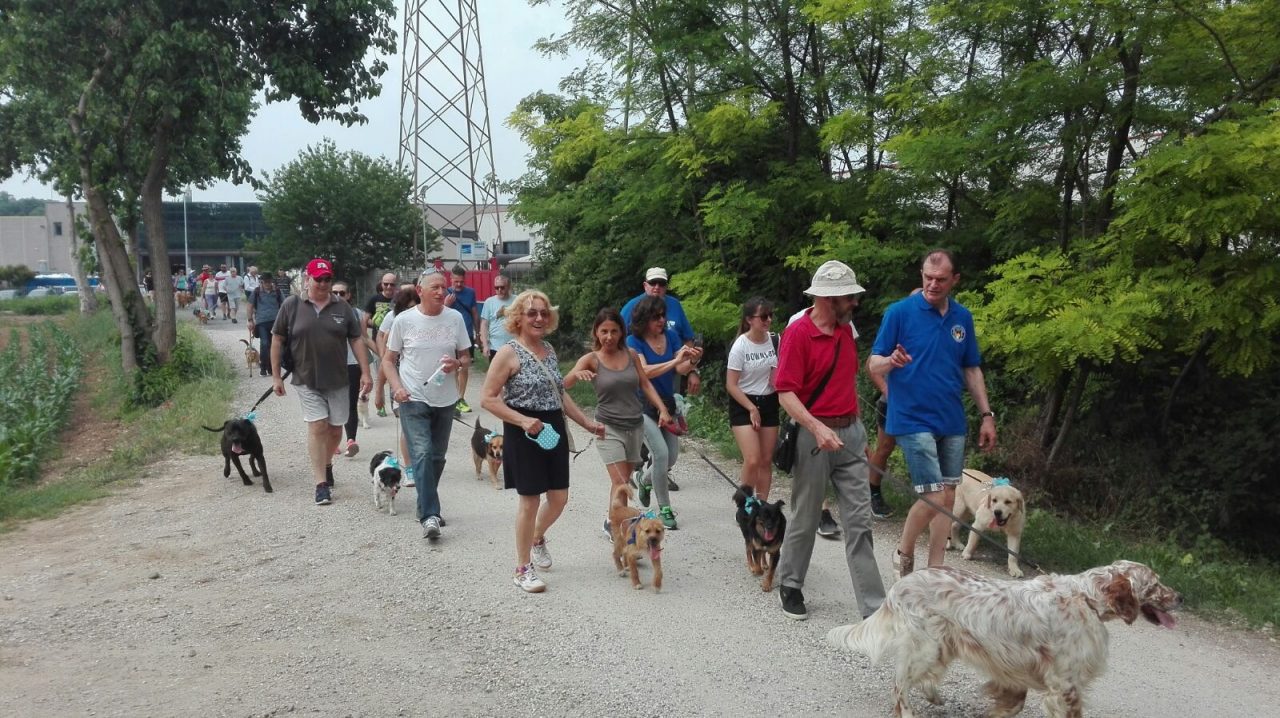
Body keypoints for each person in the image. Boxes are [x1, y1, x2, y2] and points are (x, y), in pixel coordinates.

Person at [869, 249, 997, 580]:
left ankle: (936, 568)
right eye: (927, 277)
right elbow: (873, 363)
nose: (932, 284)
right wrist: (890, 362)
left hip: (951, 418)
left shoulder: (962, 318)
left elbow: (971, 368)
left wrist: (986, 415)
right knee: (934, 494)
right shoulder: (899, 313)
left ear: (955, 279)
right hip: (911, 416)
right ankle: (904, 552)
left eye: (940, 279)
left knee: (949, 494)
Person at [774, 260, 886, 621]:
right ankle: (790, 583)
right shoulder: (798, 334)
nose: (854, 302)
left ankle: (875, 611)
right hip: (812, 435)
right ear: (828, 298)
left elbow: (847, 384)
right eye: (849, 297)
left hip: (850, 434)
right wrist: (818, 428)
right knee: (807, 516)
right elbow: (786, 393)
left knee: (860, 522)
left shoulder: (845, 330)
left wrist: (859, 431)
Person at [480, 289, 604, 593]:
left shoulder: (548, 349)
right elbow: (487, 399)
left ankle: (537, 537)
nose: (539, 318)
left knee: (559, 498)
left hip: (552, 427)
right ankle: (523, 568)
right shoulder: (508, 352)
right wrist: (522, 420)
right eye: (532, 312)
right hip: (522, 430)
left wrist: (587, 423)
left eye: (543, 313)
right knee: (530, 500)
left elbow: (559, 393)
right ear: (518, 317)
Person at [271, 258, 372, 506]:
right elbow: (277, 340)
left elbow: (357, 340)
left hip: (337, 378)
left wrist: (366, 372)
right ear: (308, 279)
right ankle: (320, 484)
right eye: (319, 279)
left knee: (336, 429)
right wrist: (275, 376)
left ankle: (327, 463)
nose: (324, 283)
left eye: (328, 278)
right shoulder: (292, 305)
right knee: (317, 427)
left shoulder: (342, 307)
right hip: (306, 378)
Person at [564, 307, 672, 539]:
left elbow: (644, 384)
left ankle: (610, 520)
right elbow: (564, 384)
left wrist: (662, 409)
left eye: (614, 331)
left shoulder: (631, 355)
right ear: (596, 332)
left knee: (624, 480)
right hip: (607, 426)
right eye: (604, 331)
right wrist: (577, 375)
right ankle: (622, 531)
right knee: (621, 481)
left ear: (622, 332)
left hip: (634, 425)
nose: (609, 337)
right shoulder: (591, 359)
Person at [383, 271, 472, 539]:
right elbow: (388, 360)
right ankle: (430, 515)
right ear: (420, 291)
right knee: (420, 453)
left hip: (445, 399)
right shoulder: (404, 320)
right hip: (412, 397)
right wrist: (396, 388)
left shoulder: (454, 319)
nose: (440, 291)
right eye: (435, 287)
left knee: (436, 457)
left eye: (443, 287)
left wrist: (456, 364)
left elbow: (467, 357)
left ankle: (424, 503)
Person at [625, 295, 701, 529]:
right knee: (659, 454)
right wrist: (675, 361)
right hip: (641, 405)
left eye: (663, 316)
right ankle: (665, 508)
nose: (661, 320)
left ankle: (644, 480)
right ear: (644, 318)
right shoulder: (632, 342)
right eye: (656, 316)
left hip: (667, 403)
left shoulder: (670, 336)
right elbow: (644, 372)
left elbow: (680, 366)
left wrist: (692, 361)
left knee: (672, 457)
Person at [726, 297, 780, 500]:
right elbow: (731, 384)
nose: (768, 320)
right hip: (743, 402)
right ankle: (745, 503)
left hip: (769, 401)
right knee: (753, 458)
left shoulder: (775, 340)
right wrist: (751, 408)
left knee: (766, 459)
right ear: (750, 319)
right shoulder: (740, 346)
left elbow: (777, 374)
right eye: (763, 316)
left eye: (770, 316)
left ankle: (762, 504)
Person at [620, 267, 701, 396]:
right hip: (637, 386)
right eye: (653, 282)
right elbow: (614, 336)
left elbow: (687, 340)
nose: (657, 287)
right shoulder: (632, 308)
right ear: (645, 285)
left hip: (669, 380)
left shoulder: (673, 318)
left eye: (661, 283)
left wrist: (692, 365)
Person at [332, 280, 368, 459]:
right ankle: (333, 441)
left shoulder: (356, 313)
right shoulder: (324, 313)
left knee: (350, 404)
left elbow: (363, 339)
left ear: (348, 295)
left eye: (342, 293)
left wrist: (381, 357)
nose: (338, 296)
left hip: (353, 364)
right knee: (332, 403)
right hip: (332, 364)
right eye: (335, 292)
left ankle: (351, 440)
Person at [443, 265, 479, 413]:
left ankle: (461, 397)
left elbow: (474, 312)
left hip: (466, 333)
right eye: (456, 281)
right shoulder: (445, 292)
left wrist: (478, 335)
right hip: (449, 335)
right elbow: (438, 312)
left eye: (461, 282)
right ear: (450, 279)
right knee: (452, 366)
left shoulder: (470, 293)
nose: (458, 284)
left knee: (464, 365)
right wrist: (446, 304)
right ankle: (453, 397)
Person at [363, 272, 399, 417]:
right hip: (379, 343)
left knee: (394, 375)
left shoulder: (399, 299)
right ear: (381, 284)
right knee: (381, 376)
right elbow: (365, 319)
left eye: (392, 284)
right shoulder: (374, 299)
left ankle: (396, 405)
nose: (389, 287)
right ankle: (381, 405)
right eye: (386, 284)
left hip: (396, 345)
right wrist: (376, 322)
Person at [247, 272, 283, 376]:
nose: (267, 284)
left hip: (275, 322)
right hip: (261, 322)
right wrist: (250, 320)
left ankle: (271, 367)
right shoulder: (257, 291)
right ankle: (263, 366)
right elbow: (250, 305)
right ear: (262, 282)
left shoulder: (277, 291)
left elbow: (284, 304)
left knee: (273, 345)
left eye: (269, 282)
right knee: (264, 344)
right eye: (265, 282)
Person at [478, 274, 514, 360]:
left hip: (514, 345)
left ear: (508, 286)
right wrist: (485, 345)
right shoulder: (489, 302)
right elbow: (484, 324)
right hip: (495, 346)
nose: (499, 290)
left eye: (502, 287)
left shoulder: (517, 300)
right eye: (496, 288)